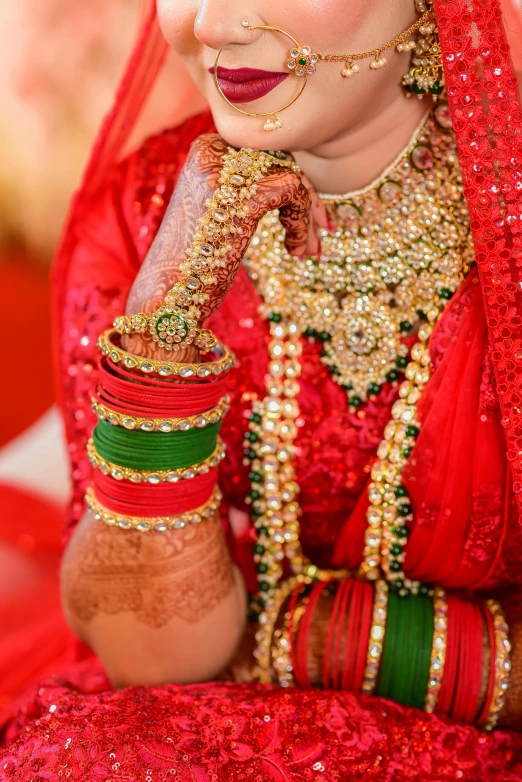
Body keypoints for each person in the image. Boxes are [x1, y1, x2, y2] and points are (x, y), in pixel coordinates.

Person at [2, 0, 522, 777]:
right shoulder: (144, 211)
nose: (210, 24)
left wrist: (314, 637)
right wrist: (164, 320)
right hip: (210, 714)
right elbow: (156, 661)